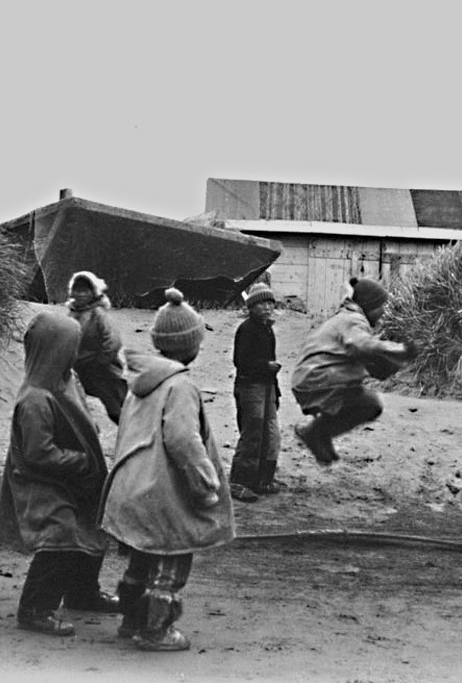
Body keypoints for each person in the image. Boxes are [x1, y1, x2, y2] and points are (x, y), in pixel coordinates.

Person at [99, 287, 235, 652]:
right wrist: (206, 484)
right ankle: (156, 630)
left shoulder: (140, 384)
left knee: (141, 558)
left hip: (133, 485)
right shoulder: (180, 385)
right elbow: (182, 440)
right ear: (189, 345)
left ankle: (130, 620)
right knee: (172, 559)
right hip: (163, 492)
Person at [0, 311, 120, 637]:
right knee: (59, 538)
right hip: (44, 482)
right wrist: (79, 461)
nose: (74, 354)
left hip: (73, 480)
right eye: (69, 347)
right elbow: (38, 453)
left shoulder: (67, 382)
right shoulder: (36, 399)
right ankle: (35, 608)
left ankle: (83, 593)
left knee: (90, 532)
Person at [290, 276, 417, 465]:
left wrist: (389, 365)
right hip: (317, 378)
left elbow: (362, 357)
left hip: (312, 378)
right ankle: (315, 432)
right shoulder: (354, 319)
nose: (383, 313)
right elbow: (362, 346)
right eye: (381, 307)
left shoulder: (345, 318)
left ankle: (318, 433)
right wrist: (401, 350)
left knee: (362, 399)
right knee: (369, 403)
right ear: (369, 305)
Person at [228, 283, 283, 502]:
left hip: (267, 388)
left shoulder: (267, 329)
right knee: (253, 433)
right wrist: (265, 367)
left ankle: (263, 478)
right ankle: (239, 482)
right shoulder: (247, 329)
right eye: (262, 303)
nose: (268, 307)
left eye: (270, 303)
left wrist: (275, 392)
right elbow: (240, 362)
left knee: (271, 434)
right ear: (251, 307)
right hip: (250, 387)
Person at [66, 270, 127, 426]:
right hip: (80, 370)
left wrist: (101, 361)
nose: (79, 294)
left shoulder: (98, 314)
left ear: (93, 293)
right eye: (76, 290)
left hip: (103, 371)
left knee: (117, 410)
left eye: (84, 290)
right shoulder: (72, 315)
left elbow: (113, 341)